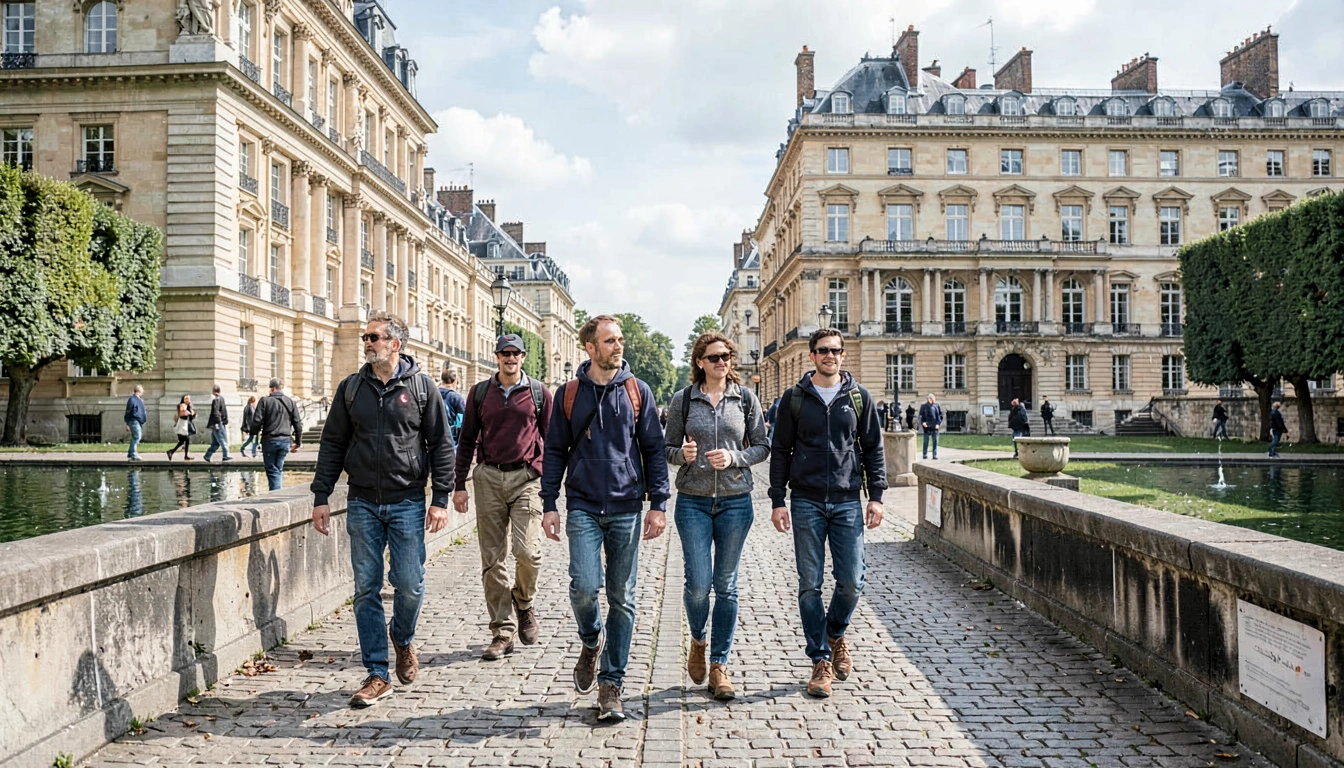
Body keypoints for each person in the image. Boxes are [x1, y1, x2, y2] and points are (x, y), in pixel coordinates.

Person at [310, 310, 455, 708]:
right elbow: (333, 443)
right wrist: (321, 495)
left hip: (408, 500)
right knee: (365, 589)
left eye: (374, 337)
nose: (367, 342)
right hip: (361, 502)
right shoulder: (352, 388)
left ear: (395, 343)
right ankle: (377, 673)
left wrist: (440, 498)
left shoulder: (423, 388)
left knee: (410, 583)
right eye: (365, 338)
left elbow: (441, 445)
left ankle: (403, 638)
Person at [541, 314, 669, 722]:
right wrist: (548, 504)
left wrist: (659, 503)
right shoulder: (569, 393)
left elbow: (652, 449)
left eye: (621, 340)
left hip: (627, 506)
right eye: (610, 341)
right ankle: (591, 639)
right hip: (582, 504)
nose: (619, 346)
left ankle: (611, 684)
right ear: (591, 348)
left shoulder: (637, 391)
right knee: (583, 587)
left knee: (623, 600)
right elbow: (555, 452)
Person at [769, 328, 886, 698]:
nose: (830, 356)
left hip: (849, 499)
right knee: (809, 584)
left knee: (852, 581)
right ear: (812, 356)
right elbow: (781, 451)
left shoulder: (858, 396)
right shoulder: (795, 398)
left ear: (843, 355)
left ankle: (835, 632)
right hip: (806, 501)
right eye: (823, 351)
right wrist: (777, 500)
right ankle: (820, 659)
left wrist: (877, 495)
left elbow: (873, 449)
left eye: (835, 350)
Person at [664, 332, 769, 701]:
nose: (721, 362)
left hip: (736, 501)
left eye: (725, 356)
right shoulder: (683, 400)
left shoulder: (745, 398)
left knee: (726, 585)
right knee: (697, 584)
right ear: (700, 362)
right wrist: (684, 455)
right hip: (692, 500)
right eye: (713, 358)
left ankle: (719, 665)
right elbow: (667, 448)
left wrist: (735, 458)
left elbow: (761, 446)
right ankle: (698, 640)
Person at [453, 334, 553, 661]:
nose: (510, 358)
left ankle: (523, 603)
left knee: (528, 552)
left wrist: (545, 479)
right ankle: (503, 631)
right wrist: (459, 485)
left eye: (515, 353)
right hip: (489, 477)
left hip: (526, 478)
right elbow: (466, 440)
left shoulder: (539, 393)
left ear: (523, 357)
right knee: (492, 559)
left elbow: (552, 441)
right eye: (504, 353)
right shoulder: (481, 393)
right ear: (496, 357)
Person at [251, 378, 303, 490]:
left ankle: (276, 494)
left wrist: (253, 434)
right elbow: (298, 424)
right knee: (278, 468)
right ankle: (276, 492)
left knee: (272, 469)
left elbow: (257, 421)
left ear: (273, 388)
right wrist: (298, 442)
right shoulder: (290, 402)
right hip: (285, 440)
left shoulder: (265, 401)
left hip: (270, 440)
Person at [203, 384, 233, 463]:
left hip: (217, 423)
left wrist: (217, 422)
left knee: (216, 443)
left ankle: (207, 455)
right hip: (219, 423)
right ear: (219, 391)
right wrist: (220, 422)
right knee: (222, 440)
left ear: (213, 392)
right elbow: (218, 412)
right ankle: (226, 455)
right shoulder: (221, 399)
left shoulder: (216, 399)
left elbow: (216, 412)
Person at [439, 370, 466, 445]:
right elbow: (464, 421)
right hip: (450, 440)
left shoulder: (433, 393)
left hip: (433, 438)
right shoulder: (456, 398)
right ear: (454, 381)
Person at [167, 395, 196, 461]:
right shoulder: (182, 405)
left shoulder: (189, 406)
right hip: (182, 425)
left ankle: (172, 452)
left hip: (185, 425)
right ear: (183, 399)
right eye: (186, 398)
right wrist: (188, 412)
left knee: (183, 441)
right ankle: (172, 452)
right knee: (185, 440)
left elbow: (193, 412)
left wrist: (191, 412)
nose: (187, 400)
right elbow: (182, 413)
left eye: (188, 398)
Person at [124, 384, 147, 461]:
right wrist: (127, 423)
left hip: (138, 421)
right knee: (137, 436)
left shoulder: (139, 399)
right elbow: (128, 411)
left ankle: (131, 453)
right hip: (134, 420)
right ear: (139, 391)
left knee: (137, 436)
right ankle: (133, 454)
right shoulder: (132, 399)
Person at [918, 394, 943, 460]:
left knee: (935, 441)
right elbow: (920, 416)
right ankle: (925, 454)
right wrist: (923, 423)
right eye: (932, 399)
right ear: (929, 399)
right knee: (926, 441)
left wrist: (938, 423)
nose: (933, 400)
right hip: (927, 426)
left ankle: (934, 454)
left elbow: (940, 416)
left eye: (934, 399)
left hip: (935, 426)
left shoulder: (937, 406)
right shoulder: (924, 406)